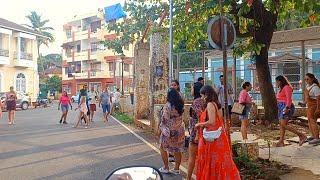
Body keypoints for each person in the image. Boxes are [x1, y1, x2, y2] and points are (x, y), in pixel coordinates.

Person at [195, 85, 240, 180]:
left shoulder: (210, 104)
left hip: (212, 138)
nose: (202, 98)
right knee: (220, 161)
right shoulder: (217, 104)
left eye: (202, 96)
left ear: (206, 95)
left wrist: (200, 124)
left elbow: (212, 122)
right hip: (219, 136)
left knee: (212, 161)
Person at [158, 88, 185, 175]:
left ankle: (166, 167)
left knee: (162, 147)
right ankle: (176, 169)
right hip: (179, 130)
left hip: (169, 131)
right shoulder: (180, 105)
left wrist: (160, 127)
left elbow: (165, 119)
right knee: (177, 149)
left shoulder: (168, 105)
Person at [275, 75, 307, 147]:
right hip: (281, 107)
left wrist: (287, 108)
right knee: (281, 125)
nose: (276, 83)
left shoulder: (287, 87)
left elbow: (289, 99)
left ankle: (301, 135)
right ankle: (281, 141)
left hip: (286, 107)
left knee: (283, 124)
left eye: (277, 81)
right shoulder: (281, 88)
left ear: (280, 81)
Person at [186, 80, 203, 180]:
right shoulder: (207, 102)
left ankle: (189, 178)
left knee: (192, 156)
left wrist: (196, 134)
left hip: (196, 133)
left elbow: (200, 117)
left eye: (192, 88)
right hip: (203, 133)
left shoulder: (197, 102)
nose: (191, 90)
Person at [304, 73, 320, 144]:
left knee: (313, 121)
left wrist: (318, 109)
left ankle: (317, 138)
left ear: (312, 79)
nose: (306, 80)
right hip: (309, 106)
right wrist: (304, 103)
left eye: (308, 79)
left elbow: (318, 99)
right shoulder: (308, 86)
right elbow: (307, 97)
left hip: (314, 106)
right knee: (310, 122)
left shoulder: (315, 87)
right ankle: (313, 136)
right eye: (305, 79)